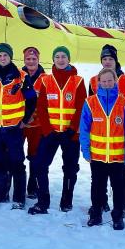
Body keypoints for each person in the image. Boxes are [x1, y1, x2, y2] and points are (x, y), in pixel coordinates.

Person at [28, 46, 84, 215]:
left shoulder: (78, 81)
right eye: (57, 56)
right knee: (39, 164)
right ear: (53, 59)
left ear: (68, 59)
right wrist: (47, 130)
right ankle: (42, 201)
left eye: (63, 56)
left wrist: (72, 130)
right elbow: (41, 107)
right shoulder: (46, 80)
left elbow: (81, 107)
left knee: (70, 168)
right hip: (50, 133)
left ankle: (67, 201)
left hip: (70, 135)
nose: (60, 59)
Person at [80, 68, 125, 230]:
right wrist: (86, 150)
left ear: (115, 81)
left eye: (110, 80)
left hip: (117, 156)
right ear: (98, 82)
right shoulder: (90, 102)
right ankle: (96, 214)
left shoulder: (124, 103)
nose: (106, 83)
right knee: (97, 186)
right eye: (103, 81)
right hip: (97, 155)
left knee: (118, 187)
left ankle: (118, 217)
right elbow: (84, 128)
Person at [0, 43, 36, 209]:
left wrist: (25, 120)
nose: (2, 58)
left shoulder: (21, 76)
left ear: (10, 57)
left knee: (16, 162)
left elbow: (32, 99)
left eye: (5, 55)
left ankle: (19, 198)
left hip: (13, 127)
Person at [88, 44, 125, 216]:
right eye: (104, 59)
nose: (107, 62)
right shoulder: (94, 80)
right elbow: (91, 107)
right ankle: (100, 203)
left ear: (116, 60)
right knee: (98, 176)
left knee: (123, 175)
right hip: (100, 139)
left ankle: (124, 205)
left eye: (110, 58)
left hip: (119, 137)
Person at [21, 47, 45, 200]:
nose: (31, 62)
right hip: (20, 123)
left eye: (34, 59)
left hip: (37, 124)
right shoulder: (18, 75)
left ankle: (32, 185)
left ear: (38, 60)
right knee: (15, 154)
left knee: (35, 156)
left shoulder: (45, 78)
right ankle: (16, 184)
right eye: (28, 59)